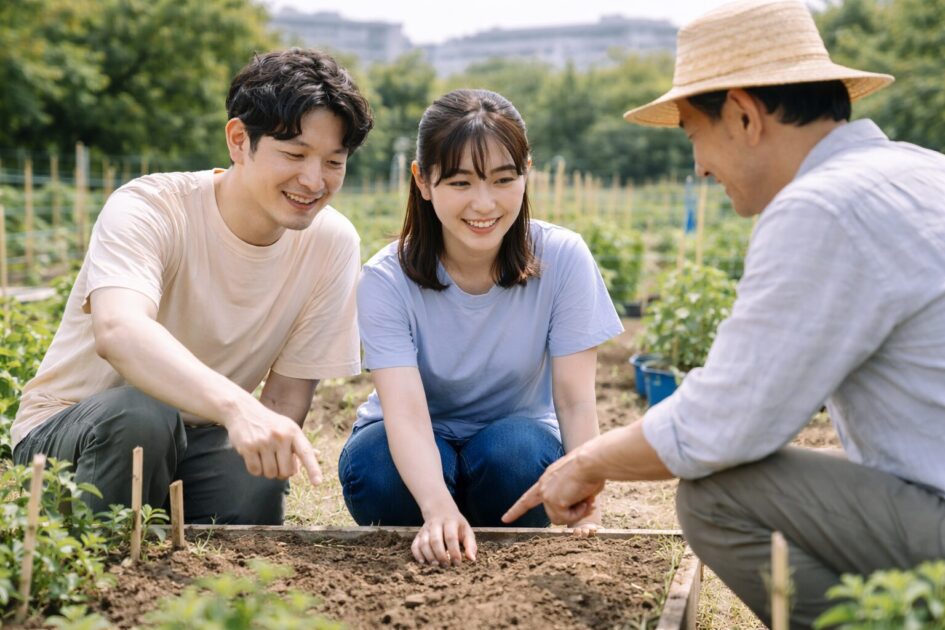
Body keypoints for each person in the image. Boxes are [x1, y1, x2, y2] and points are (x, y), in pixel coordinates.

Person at [504, 1, 945, 627]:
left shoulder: (824, 208)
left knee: (719, 496)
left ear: (743, 115)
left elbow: (722, 426)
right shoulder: (921, 169)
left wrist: (586, 462)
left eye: (693, 135)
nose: (699, 166)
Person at [12, 49, 374, 525]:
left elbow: (285, 399)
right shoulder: (151, 207)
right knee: (142, 416)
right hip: (74, 429)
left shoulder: (331, 241)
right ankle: (101, 571)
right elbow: (119, 331)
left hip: (201, 438)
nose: (313, 180)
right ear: (239, 140)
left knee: (254, 482)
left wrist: (261, 437)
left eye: (333, 161)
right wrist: (236, 406)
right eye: (294, 154)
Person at [339, 89, 623, 566]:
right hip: (409, 444)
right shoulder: (387, 278)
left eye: (503, 179)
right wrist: (437, 509)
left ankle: (472, 523)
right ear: (423, 181)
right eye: (460, 183)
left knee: (518, 455)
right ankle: (443, 523)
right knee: (378, 469)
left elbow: (574, 399)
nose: (484, 203)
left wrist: (583, 504)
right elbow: (406, 415)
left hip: (510, 443)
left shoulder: (564, 258)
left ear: (525, 172)